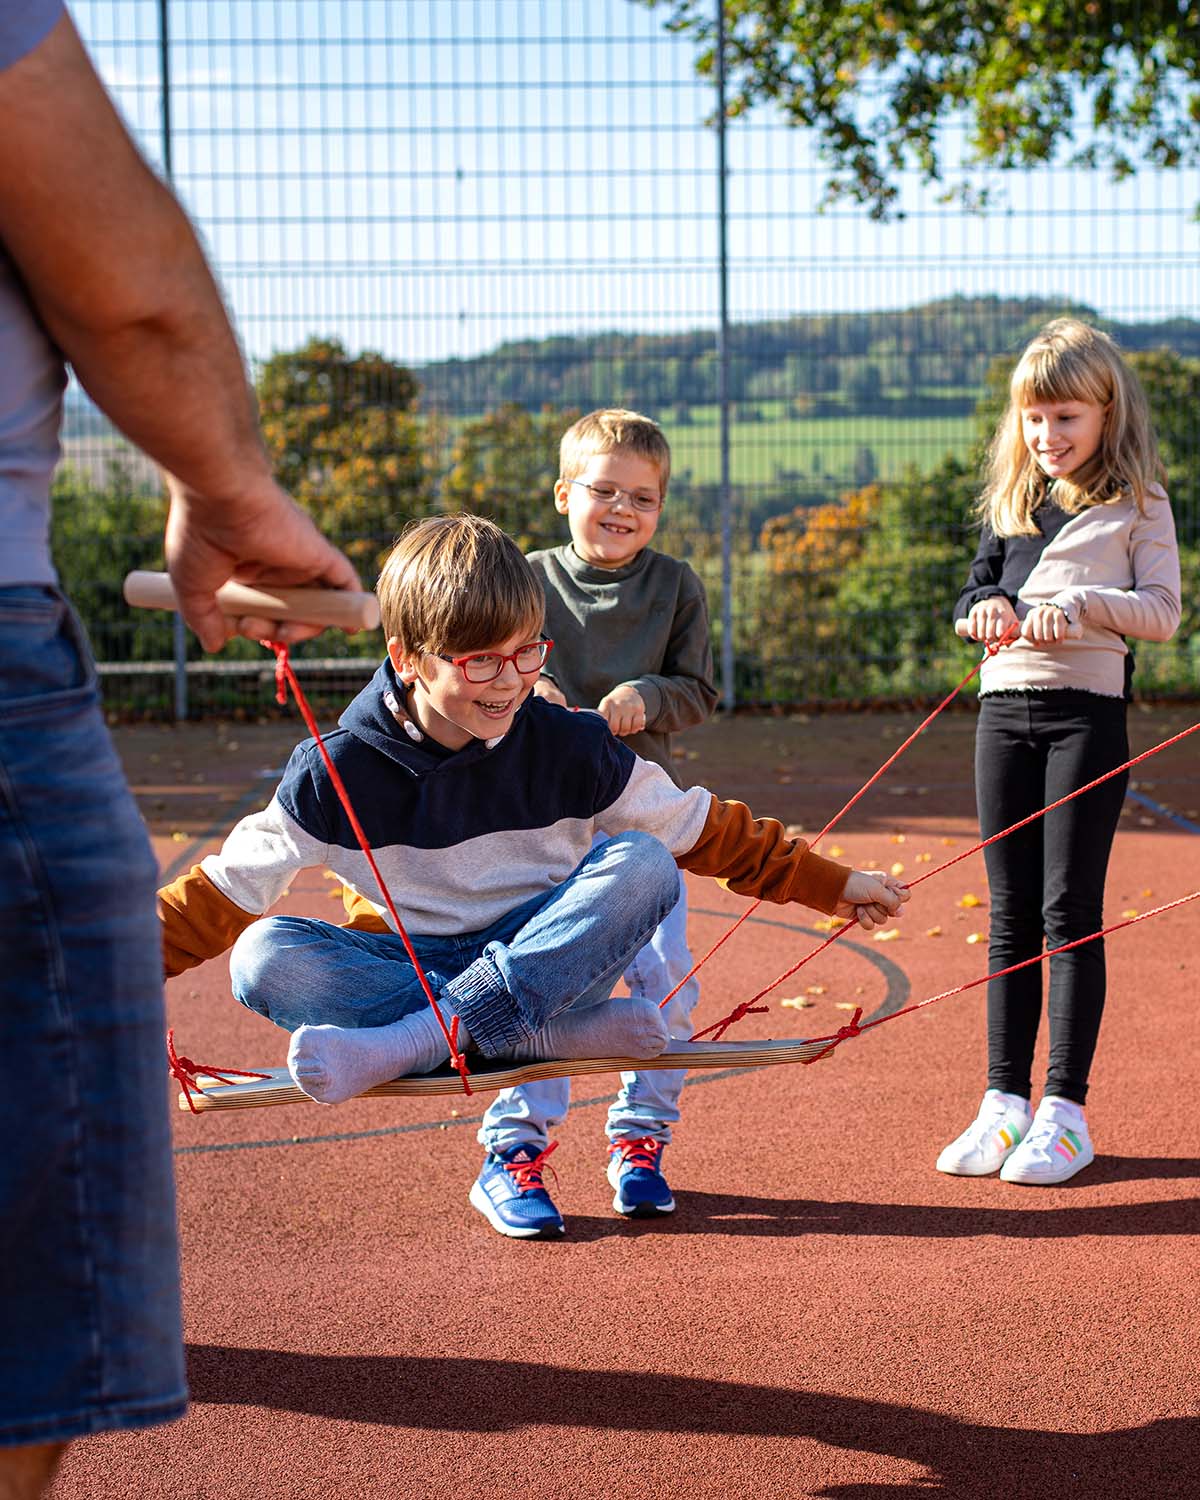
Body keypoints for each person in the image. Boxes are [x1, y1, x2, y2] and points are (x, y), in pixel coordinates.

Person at [157, 513, 910, 1228]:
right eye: (480, 659)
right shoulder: (335, 772)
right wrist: (91, 980)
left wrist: (832, 884)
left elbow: (700, 827)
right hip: (414, 966)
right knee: (263, 957)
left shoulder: (567, 745)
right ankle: (536, 1037)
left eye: (527, 651)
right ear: (407, 659)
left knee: (646, 863)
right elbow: (222, 892)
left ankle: (430, 1038)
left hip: (543, 956)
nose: (510, 679)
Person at [0, 8, 359, 1497]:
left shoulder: (569, 751)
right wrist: (225, 484)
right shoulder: (369, 758)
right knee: (32, 1248)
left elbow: (664, 816)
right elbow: (126, 291)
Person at [939, 318, 1180, 1187]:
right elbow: (976, 592)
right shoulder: (1012, 504)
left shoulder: (1140, 499)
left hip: (1087, 718)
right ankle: (1003, 1104)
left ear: (1108, 413)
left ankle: (1064, 1112)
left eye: (1067, 418)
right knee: (1007, 917)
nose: (1048, 437)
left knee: (1067, 911)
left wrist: (1082, 604)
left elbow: (1161, 610)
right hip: (1003, 714)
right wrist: (986, 614)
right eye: (1034, 420)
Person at [472, 408, 718, 1238]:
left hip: (642, 817)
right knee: (546, 984)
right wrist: (529, 692)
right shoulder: (526, 578)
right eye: (603, 490)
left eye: (642, 498)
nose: (621, 509)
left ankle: (641, 1139)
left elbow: (699, 690)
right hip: (544, 828)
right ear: (562, 494)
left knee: (667, 978)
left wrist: (649, 697)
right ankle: (514, 1152)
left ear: (660, 506)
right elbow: (482, 667)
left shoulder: (676, 586)